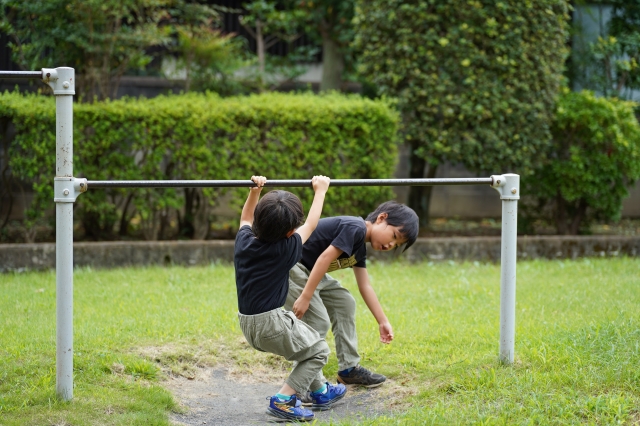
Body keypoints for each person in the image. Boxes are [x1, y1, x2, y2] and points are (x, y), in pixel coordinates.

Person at [234, 175, 346, 422]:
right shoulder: (286, 249)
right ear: (289, 232)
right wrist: (321, 190)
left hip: (247, 323)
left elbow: (245, 219)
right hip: (271, 323)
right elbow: (313, 223)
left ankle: (320, 392)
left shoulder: (243, 242)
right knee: (318, 351)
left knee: (308, 346)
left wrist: (254, 191)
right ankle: (283, 400)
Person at [285, 201, 419, 400]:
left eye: (396, 245)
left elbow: (365, 286)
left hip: (311, 273)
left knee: (344, 301)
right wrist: (305, 296)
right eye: (394, 236)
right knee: (318, 323)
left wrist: (382, 321)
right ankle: (301, 386)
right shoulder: (355, 227)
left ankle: (348, 369)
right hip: (292, 267)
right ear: (382, 218)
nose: (390, 245)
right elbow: (323, 259)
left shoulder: (360, 248)